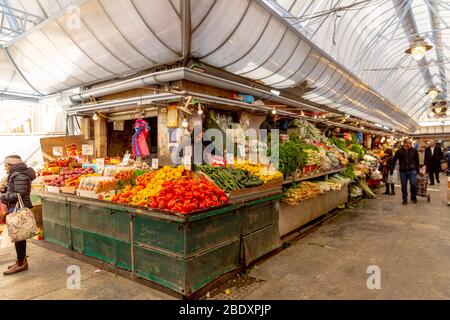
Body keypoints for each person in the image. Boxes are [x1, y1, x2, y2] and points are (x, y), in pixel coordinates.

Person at [0, 155, 36, 275]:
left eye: (6, 165)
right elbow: (15, 191)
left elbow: (20, 193)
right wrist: (5, 190)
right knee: (18, 237)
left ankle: (21, 264)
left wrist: (3, 197)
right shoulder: (18, 173)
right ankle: (21, 261)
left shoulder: (19, 174)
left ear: (12, 165)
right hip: (17, 206)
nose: (5, 168)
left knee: (19, 237)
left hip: (18, 208)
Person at [391, 139, 419, 205]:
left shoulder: (414, 150)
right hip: (403, 171)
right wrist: (391, 169)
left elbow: (417, 160)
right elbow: (394, 160)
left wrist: (417, 170)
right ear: (404, 143)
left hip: (412, 171)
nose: (410, 145)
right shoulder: (399, 151)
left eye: (410, 143)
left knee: (413, 184)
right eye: (409, 143)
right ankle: (404, 199)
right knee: (403, 186)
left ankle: (413, 197)